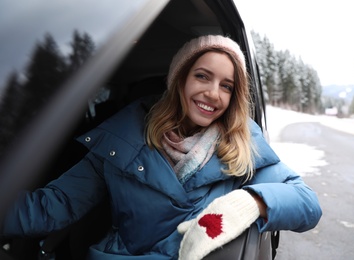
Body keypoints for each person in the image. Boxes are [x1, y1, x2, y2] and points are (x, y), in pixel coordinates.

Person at [0, 35, 322, 259]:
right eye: (202, 77)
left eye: (227, 86)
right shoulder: (119, 141)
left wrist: (249, 202)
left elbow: (307, 204)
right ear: (179, 80)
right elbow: (52, 206)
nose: (213, 93)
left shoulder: (243, 145)